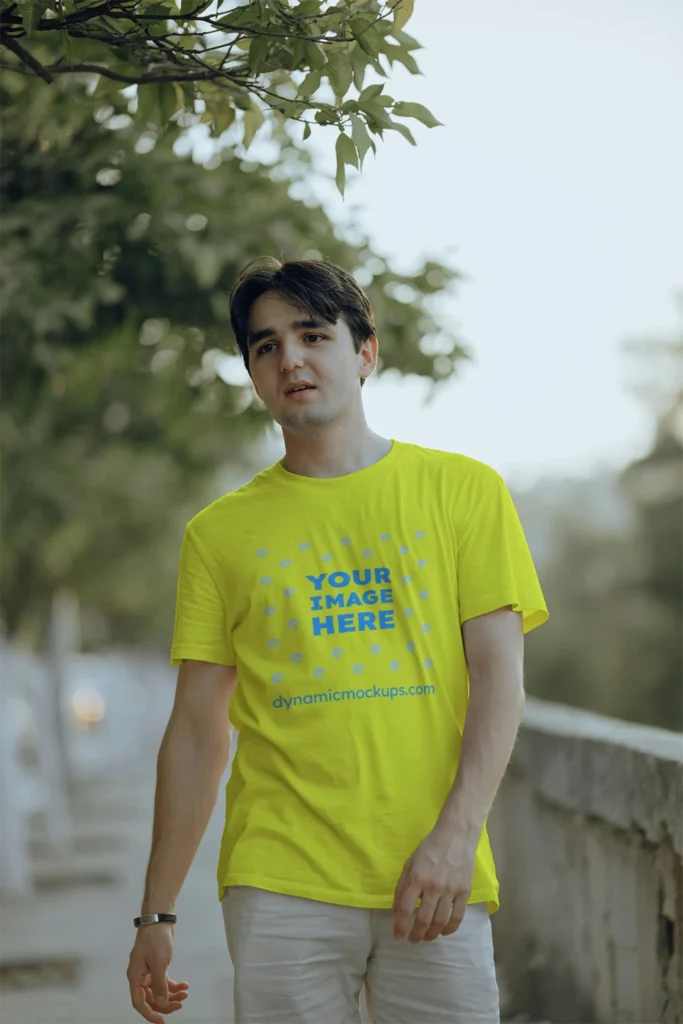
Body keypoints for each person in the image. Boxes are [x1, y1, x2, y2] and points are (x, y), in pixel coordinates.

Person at [127, 255, 549, 1024]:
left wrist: (456, 839)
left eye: (312, 335)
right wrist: (155, 914)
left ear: (364, 353)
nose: (289, 358)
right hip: (279, 880)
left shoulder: (463, 493)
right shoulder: (218, 535)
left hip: (435, 871)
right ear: (252, 373)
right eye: (265, 346)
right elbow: (194, 733)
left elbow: (498, 682)